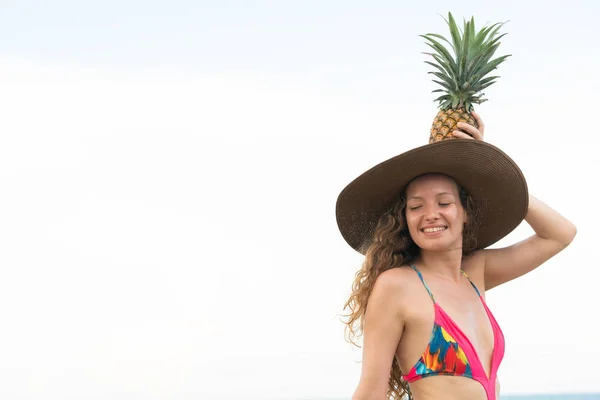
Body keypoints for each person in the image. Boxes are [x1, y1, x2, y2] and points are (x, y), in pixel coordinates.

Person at [335, 112, 577, 400]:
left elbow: (560, 234)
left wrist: (491, 166)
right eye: (415, 207)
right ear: (405, 219)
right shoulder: (396, 285)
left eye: (444, 202)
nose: (430, 214)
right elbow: (371, 391)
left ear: (465, 213)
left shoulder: (476, 272)